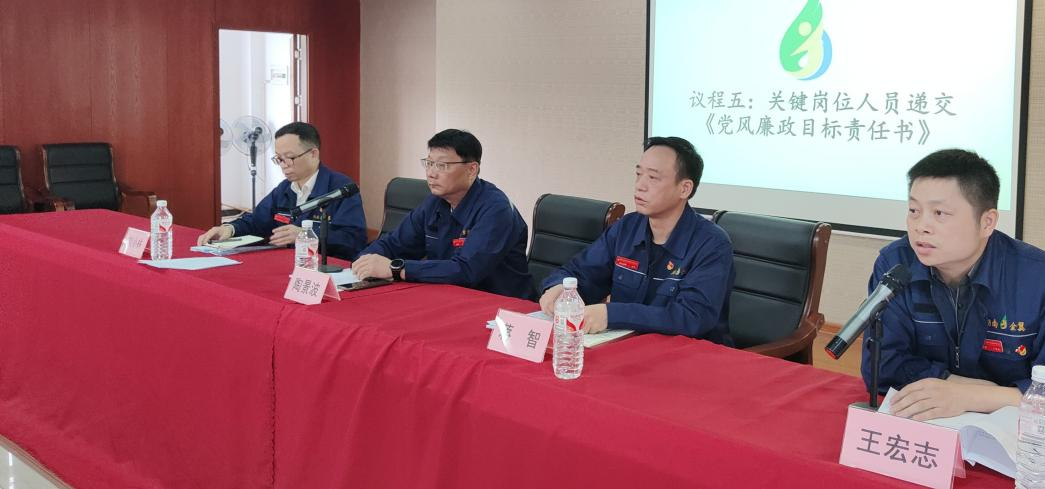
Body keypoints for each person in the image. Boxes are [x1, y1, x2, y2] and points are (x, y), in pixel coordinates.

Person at [862, 148, 1045, 426]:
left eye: (939, 213)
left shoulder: (1044, 278)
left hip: (1018, 433)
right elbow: (882, 366)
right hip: (931, 425)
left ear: (987, 222)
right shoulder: (895, 264)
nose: (921, 226)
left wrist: (972, 397)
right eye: (914, 211)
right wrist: (954, 388)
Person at [538, 136, 735, 345]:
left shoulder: (711, 243)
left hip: (689, 354)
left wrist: (612, 314)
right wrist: (559, 288)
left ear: (684, 188)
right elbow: (579, 272)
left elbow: (692, 317)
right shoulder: (626, 228)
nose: (640, 185)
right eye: (639, 174)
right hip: (626, 348)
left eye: (653, 177)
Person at [351, 129, 533, 300]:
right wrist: (365, 260)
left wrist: (396, 269)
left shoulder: (496, 209)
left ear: (471, 170)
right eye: (429, 163)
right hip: (449, 297)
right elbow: (393, 244)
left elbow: (466, 270)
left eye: (442, 165)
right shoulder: (434, 202)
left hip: (501, 306)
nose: (431, 173)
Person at [197, 122, 367, 259]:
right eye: (279, 159)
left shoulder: (341, 189)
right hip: (289, 263)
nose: (283, 165)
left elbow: (353, 240)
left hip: (329, 268)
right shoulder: (285, 189)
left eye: (290, 158)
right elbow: (257, 221)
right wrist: (229, 229)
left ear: (313, 154)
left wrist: (306, 235)